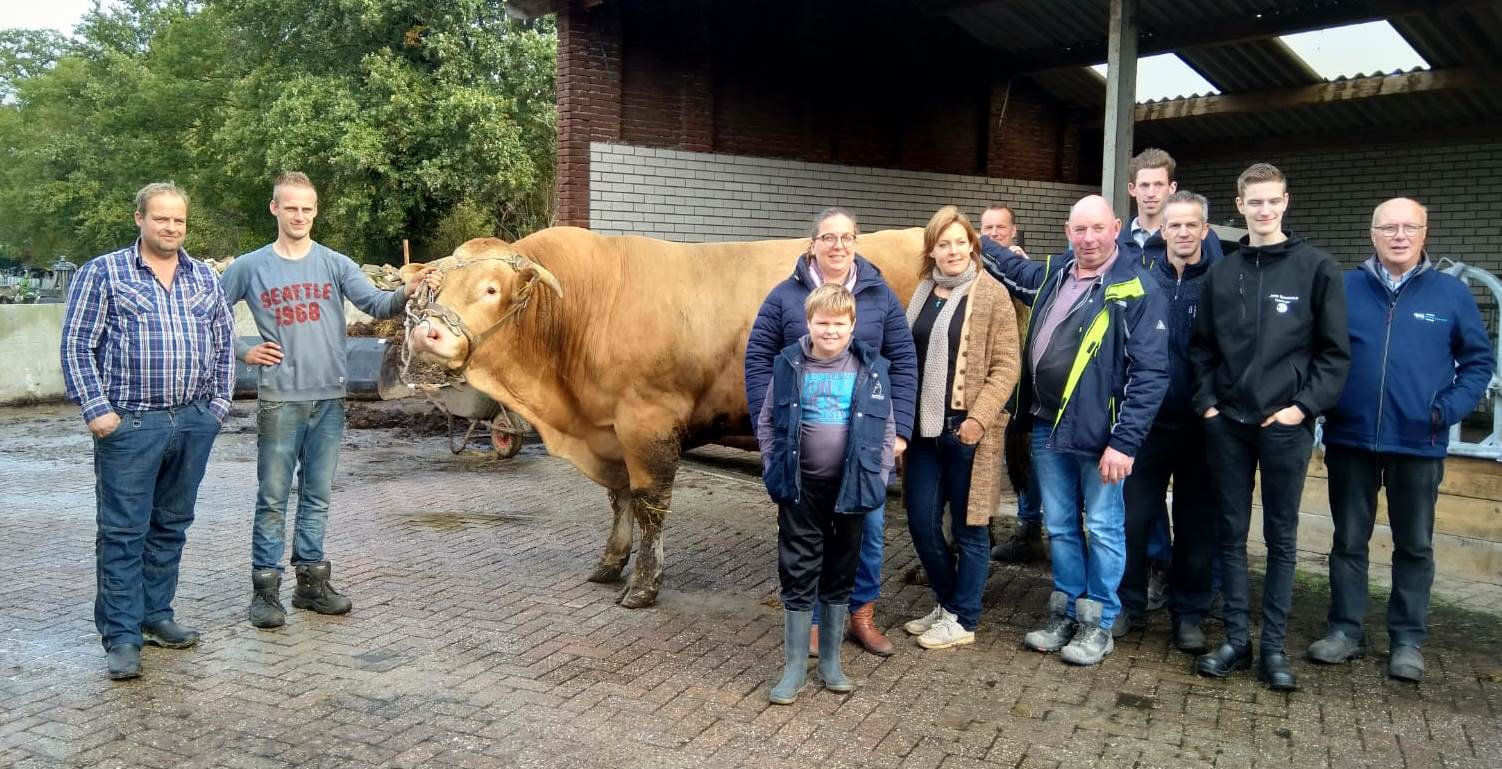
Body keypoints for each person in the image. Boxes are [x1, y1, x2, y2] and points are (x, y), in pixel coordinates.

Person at [221, 172, 434, 629]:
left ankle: (311, 584)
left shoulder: (334, 263)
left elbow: (376, 304)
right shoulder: (250, 266)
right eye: (291, 207)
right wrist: (244, 350)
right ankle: (265, 591)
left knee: (316, 495)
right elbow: (211, 316)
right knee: (273, 496)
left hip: (329, 398)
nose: (299, 216)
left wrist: (407, 293)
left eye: (307, 209)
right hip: (280, 398)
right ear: (274, 209)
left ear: (315, 212)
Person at [1308, 197, 1493, 682]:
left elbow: (1478, 363)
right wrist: (1329, 404)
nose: (1399, 235)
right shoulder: (1345, 289)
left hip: (1418, 441)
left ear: (1424, 233)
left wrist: (1447, 410)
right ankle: (1345, 630)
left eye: (1409, 227)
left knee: (1414, 545)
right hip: (1350, 438)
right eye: (1388, 227)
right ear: (1372, 235)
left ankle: (1407, 640)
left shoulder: (1450, 296)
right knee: (1349, 541)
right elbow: (1319, 353)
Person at [981, 194, 1169, 666]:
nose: (1088, 239)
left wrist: (1124, 443)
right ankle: (1065, 611)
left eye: (1097, 229)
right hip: (1047, 426)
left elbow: (1150, 375)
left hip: (1102, 434)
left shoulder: (1136, 287)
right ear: (1068, 231)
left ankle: (1099, 623)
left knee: (1104, 528)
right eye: (1080, 230)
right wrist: (973, 236)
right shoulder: (1055, 274)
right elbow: (1011, 268)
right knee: (1061, 526)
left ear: (1116, 228)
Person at [60, 182, 234, 680]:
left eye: (179, 220)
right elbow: (76, 346)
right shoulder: (105, 273)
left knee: (171, 526)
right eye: (161, 219)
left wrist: (216, 408)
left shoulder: (203, 277)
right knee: (122, 532)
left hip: (192, 420)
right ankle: (120, 635)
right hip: (130, 425)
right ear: (139, 218)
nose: (171, 228)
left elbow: (223, 345)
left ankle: (155, 614)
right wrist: (97, 410)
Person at [1190, 162, 1350, 691]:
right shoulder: (1222, 272)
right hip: (1228, 423)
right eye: (1253, 202)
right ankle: (1237, 638)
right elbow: (1202, 348)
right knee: (1230, 534)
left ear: (1285, 202)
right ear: (1240, 205)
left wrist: (1302, 408)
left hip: (1285, 425)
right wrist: (1209, 404)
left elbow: (1334, 353)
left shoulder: (1316, 268)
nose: (1263, 210)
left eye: (1272, 201)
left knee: (1281, 538)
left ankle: (1274, 648)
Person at [745, 207, 918, 657]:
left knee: (868, 535)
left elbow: (901, 359)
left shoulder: (879, 296)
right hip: (805, 455)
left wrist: (898, 431)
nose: (837, 245)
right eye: (828, 237)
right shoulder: (785, 296)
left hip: (863, 449)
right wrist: (774, 430)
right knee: (809, 541)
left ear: (856, 241)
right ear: (813, 243)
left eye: (846, 237)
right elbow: (759, 358)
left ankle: (860, 614)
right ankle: (817, 624)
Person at [756, 283, 896, 703]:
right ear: (809, 323)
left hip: (851, 489)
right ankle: (795, 668)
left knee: (840, 572)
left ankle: (831, 663)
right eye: (822, 323)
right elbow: (767, 422)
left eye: (839, 323)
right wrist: (772, 467)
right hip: (801, 489)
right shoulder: (789, 364)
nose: (830, 331)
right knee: (798, 572)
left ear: (852, 325)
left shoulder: (870, 368)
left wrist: (879, 473)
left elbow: (885, 428)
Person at [900, 207, 1020, 650]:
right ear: (931, 249)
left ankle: (963, 618)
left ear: (973, 244)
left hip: (967, 432)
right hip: (922, 431)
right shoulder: (924, 291)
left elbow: (1008, 365)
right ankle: (949, 603)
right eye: (943, 243)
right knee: (921, 523)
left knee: (970, 529)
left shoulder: (991, 293)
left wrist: (977, 419)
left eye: (959, 242)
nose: (952, 251)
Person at [1116, 191, 1218, 652]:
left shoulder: (1220, 282)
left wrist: (1215, 404)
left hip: (1201, 426)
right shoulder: (1140, 280)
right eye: (1173, 226)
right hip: (1148, 425)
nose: (1181, 233)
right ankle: (1129, 604)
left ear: (1204, 230)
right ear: (1162, 231)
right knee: (1133, 520)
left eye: (1190, 225)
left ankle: (1189, 614)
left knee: (1196, 524)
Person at [979, 204, 1050, 566]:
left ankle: (1029, 528)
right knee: (993, 455)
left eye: (1000, 228)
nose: (992, 234)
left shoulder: (1025, 271)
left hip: (1026, 378)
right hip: (990, 379)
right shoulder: (975, 271)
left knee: (1026, 453)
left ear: (1013, 231)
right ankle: (984, 528)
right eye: (986, 227)